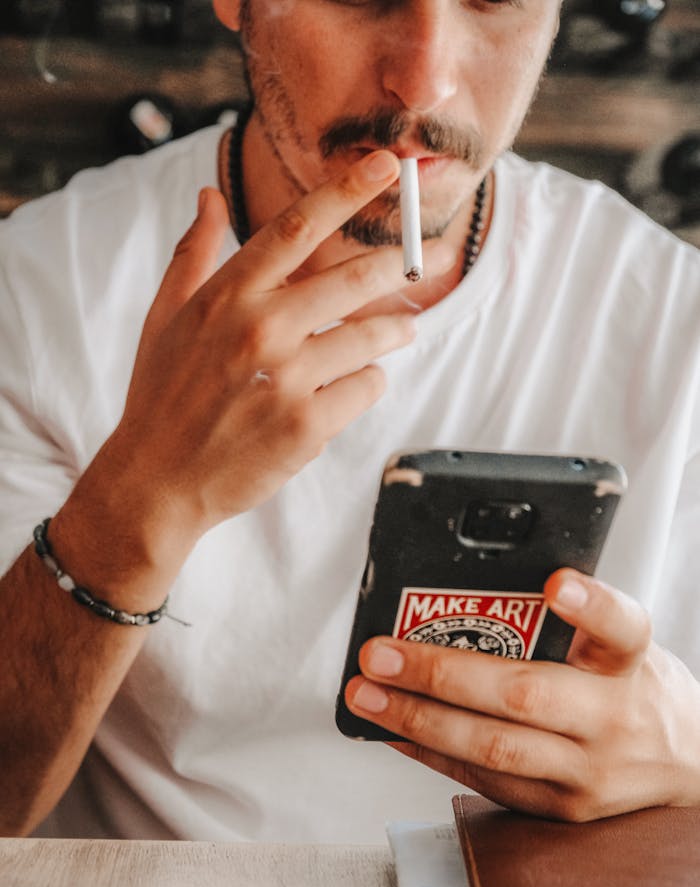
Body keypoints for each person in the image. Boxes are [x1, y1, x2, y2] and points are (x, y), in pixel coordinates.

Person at [0, 0, 698, 842]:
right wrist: (140, 497)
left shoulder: (672, 322)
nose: (425, 82)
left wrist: (686, 760)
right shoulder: (36, 292)